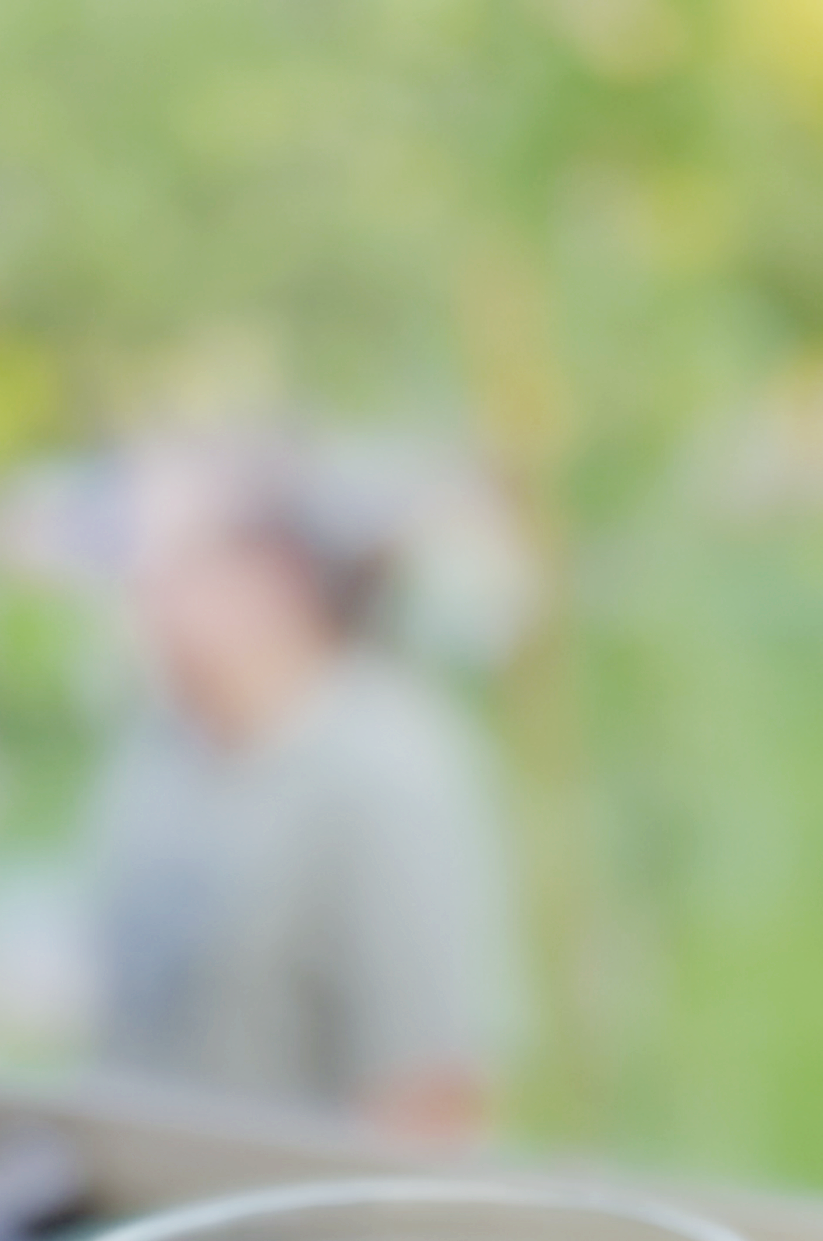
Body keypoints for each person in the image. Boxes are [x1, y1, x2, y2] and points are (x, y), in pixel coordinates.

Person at [91, 437, 522, 1139]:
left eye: (170, 560)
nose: (137, 586)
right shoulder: (160, 745)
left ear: (274, 578)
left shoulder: (385, 765)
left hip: (295, 1235)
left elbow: (431, 1093)